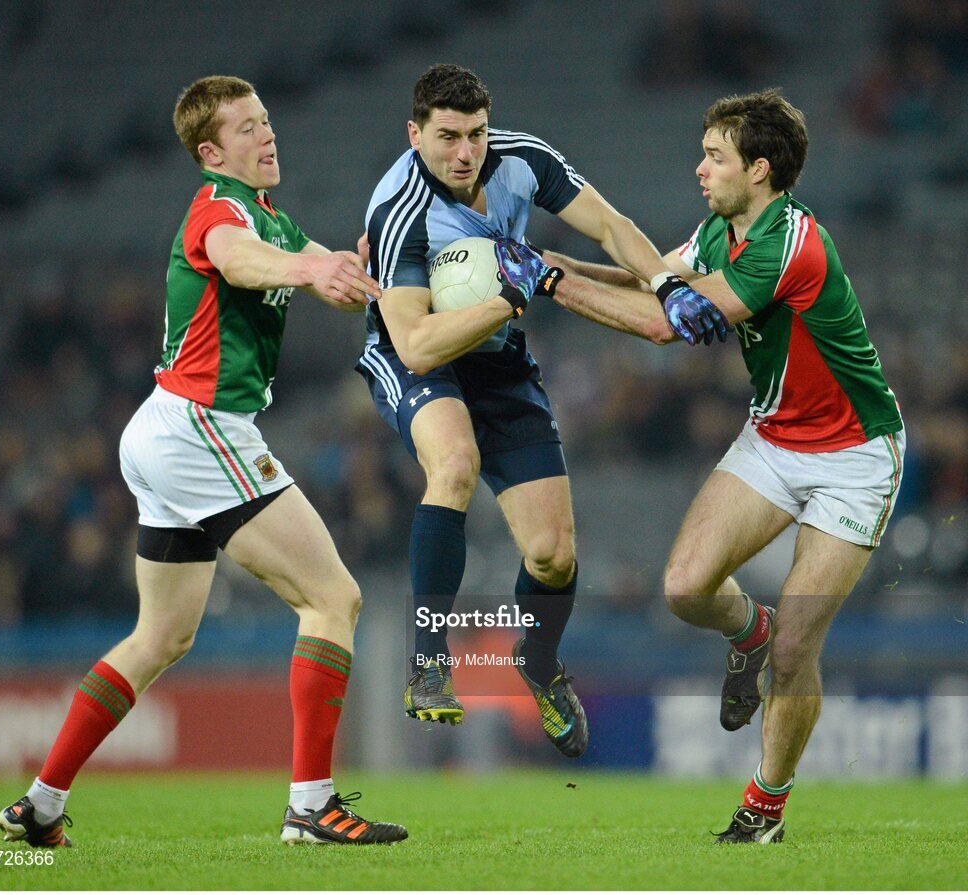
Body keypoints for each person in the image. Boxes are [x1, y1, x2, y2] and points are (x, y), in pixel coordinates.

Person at [0, 75, 407, 848]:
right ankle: (310, 807)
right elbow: (239, 260)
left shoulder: (272, 219)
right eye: (248, 128)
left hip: (163, 430)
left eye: (268, 120)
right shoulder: (220, 210)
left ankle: (40, 804)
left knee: (161, 637)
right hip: (200, 428)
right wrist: (310, 272)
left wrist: (352, 276)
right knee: (333, 598)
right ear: (212, 152)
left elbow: (323, 269)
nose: (268, 135)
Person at [544, 88, 905, 841]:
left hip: (854, 456)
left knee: (800, 645)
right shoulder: (723, 228)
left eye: (715, 156)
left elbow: (662, 324)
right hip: (775, 439)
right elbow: (655, 282)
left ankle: (764, 807)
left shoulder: (789, 244)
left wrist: (545, 286)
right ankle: (748, 631)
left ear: (761, 169)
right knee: (683, 587)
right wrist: (560, 261)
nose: (700, 168)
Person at [355, 63, 724, 755]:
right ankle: (428, 659)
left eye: (475, 134)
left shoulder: (524, 159)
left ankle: (539, 661)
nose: (464, 153)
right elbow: (417, 341)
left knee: (553, 556)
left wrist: (667, 282)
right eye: (446, 138)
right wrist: (514, 295)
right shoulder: (400, 207)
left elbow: (609, 226)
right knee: (455, 462)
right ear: (415, 134)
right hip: (419, 359)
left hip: (498, 358)